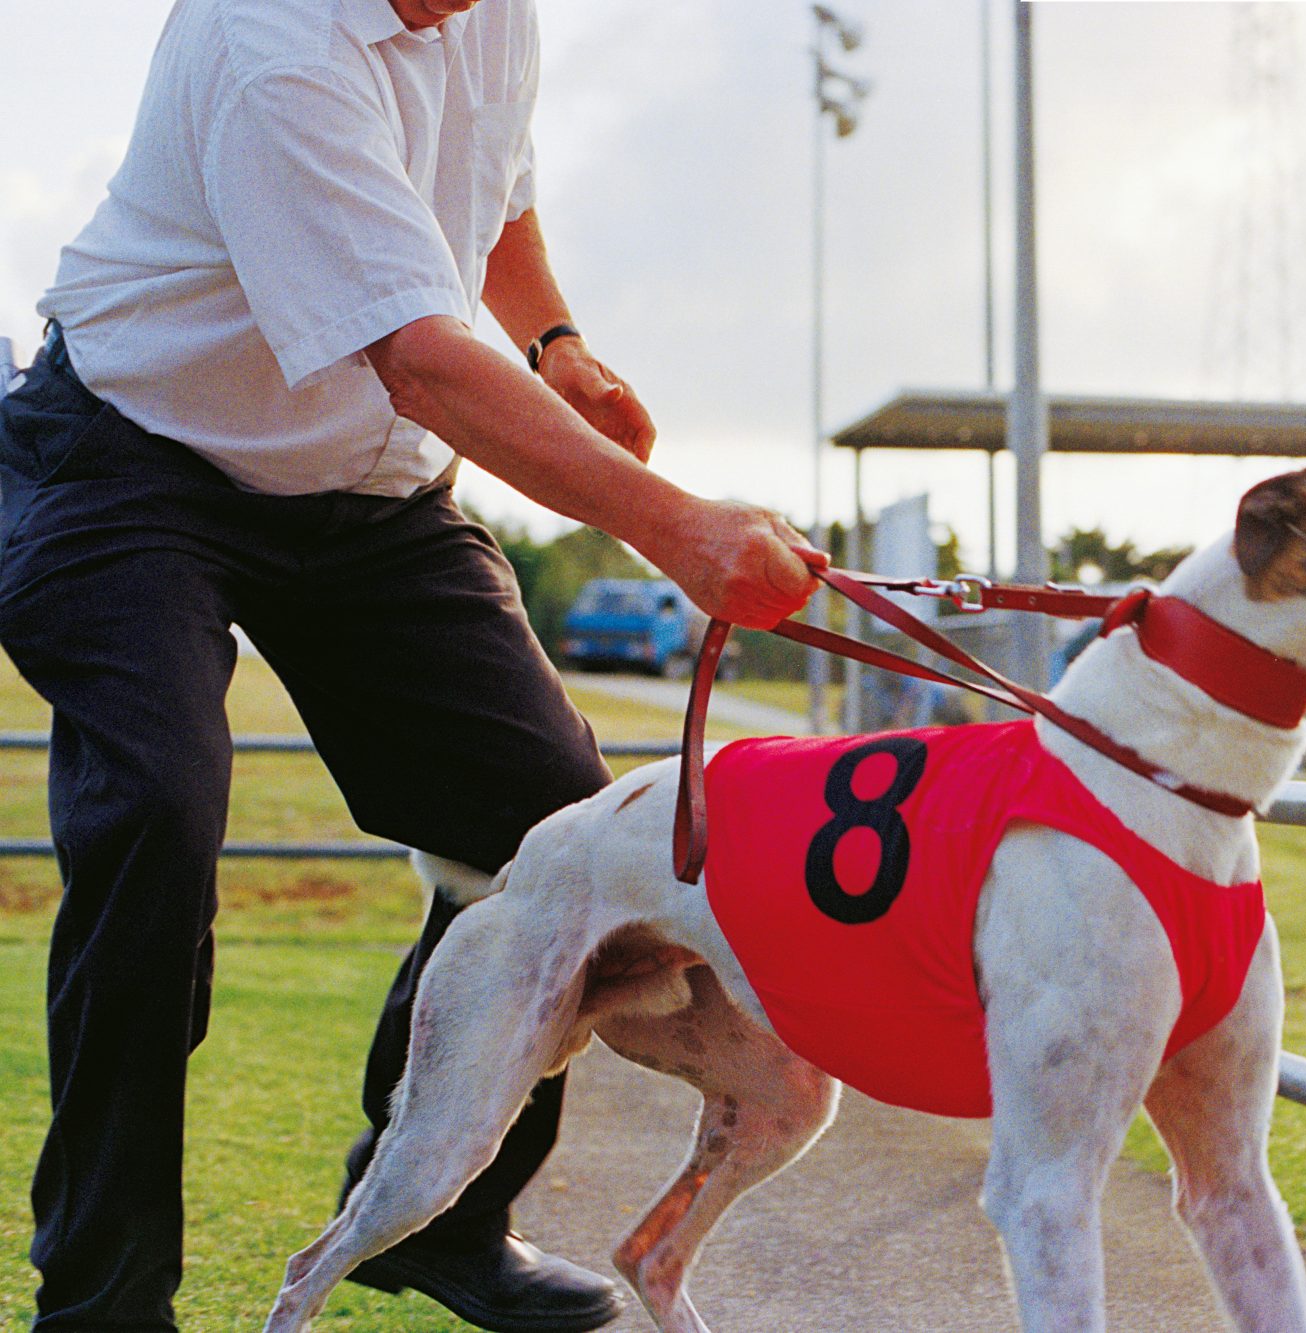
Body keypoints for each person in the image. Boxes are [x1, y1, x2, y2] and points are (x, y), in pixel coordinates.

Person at [0, 0, 820, 1328]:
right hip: (134, 456)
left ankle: (434, 1215)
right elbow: (421, 358)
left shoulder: (496, 18)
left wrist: (557, 347)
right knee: (153, 810)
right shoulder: (266, 45)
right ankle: (103, 1298)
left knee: (550, 829)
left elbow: (495, 202)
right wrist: (676, 527)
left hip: (370, 496)